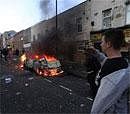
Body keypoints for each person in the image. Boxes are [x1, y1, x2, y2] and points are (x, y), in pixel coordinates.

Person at [91, 28, 129, 114]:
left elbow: (101, 105)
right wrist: (96, 53)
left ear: (108, 44)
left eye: (102, 42)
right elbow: (104, 60)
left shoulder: (113, 78)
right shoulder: (121, 62)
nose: (100, 44)